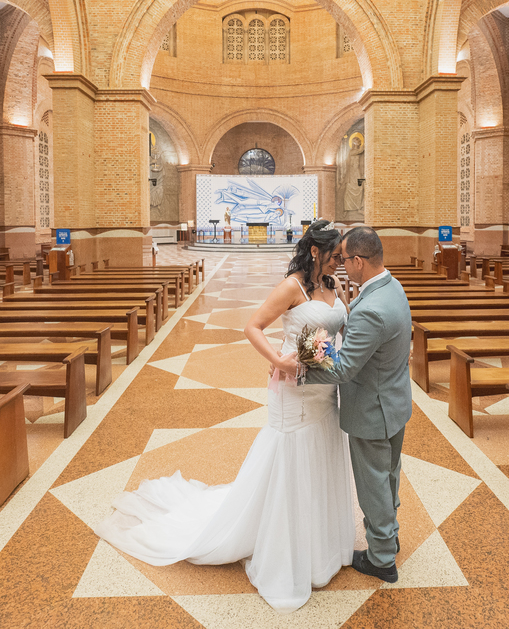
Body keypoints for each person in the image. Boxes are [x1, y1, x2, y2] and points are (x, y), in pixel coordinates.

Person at [94, 220, 353, 613]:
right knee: (292, 460)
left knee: (320, 456)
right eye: (335, 256)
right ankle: (285, 550)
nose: (340, 263)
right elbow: (253, 327)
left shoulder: (334, 287)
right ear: (316, 251)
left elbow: (337, 334)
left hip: (324, 390)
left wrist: (332, 357)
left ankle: (320, 546)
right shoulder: (292, 287)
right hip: (294, 395)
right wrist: (278, 360)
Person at [272, 225, 412, 583]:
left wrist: (296, 368)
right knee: (389, 476)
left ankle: (381, 558)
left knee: (374, 485)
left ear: (360, 262)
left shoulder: (371, 307)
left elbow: (346, 367)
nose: (341, 265)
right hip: (394, 403)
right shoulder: (392, 288)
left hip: (371, 409)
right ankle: (389, 538)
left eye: (345, 259)